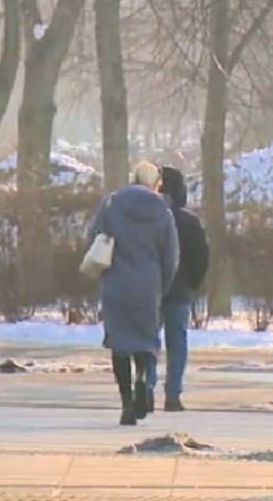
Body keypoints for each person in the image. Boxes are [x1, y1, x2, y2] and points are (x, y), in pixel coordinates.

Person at [88, 161, 179, 426]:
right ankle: (142, 379)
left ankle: (127, 404)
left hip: (115, 282)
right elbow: (171, 256)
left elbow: (94, 237)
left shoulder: (111, 204)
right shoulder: (164, 212)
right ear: (155, 183)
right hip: (148, 285)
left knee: (119, 345)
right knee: (145, 341)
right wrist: (163, 285)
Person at [145, 166, 209, 412]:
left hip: (150, 289)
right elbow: (201, 257)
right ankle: (173, 395)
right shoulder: (189, 221)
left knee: (148, 341)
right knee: (177, 343)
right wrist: (192, 282)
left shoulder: (148, 218)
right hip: (180, 290)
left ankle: (146, 388)